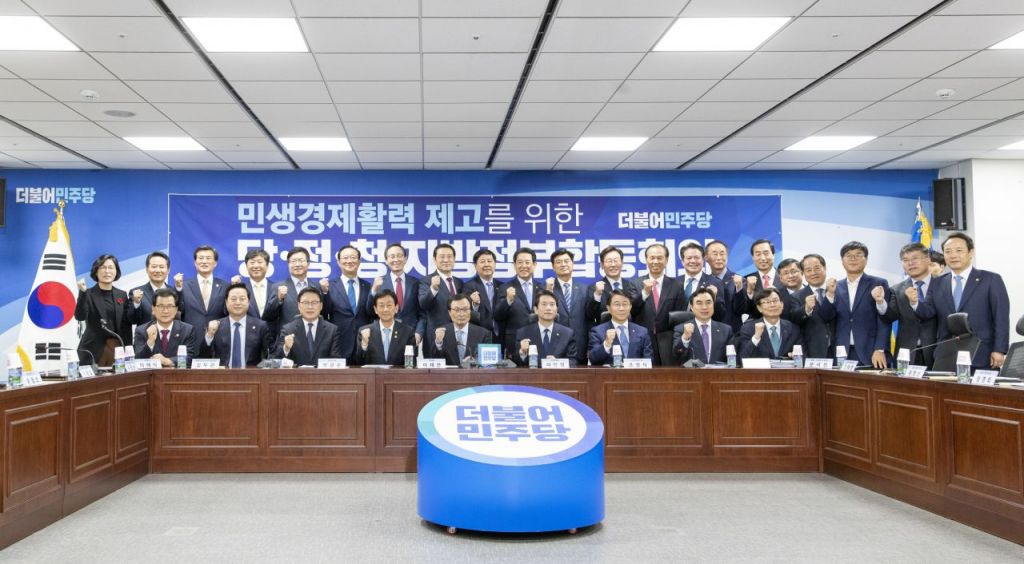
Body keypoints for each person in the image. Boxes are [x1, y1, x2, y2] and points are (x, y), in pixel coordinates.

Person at [917, 232, 1009, 369]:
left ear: (971, 252)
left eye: (959, 250)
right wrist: (914, 303)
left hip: (982, 353)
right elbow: (927, 312)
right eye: (948, 251)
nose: (953, 255)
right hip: (947, 355)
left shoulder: (990, 280)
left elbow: (1001, 317)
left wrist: (999, 349)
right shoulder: (937, 283)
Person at [831, 241, 891, 369]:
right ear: (842, 261)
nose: (853, 258)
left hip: (870, 352)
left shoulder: (879, 283)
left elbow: (884, 319)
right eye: (848, 255)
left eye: (858, 255)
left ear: (866, 260)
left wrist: (880, 349)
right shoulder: (836, 287)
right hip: (842, 352)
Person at [75, 254, 141, 366]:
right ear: (96, 271)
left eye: (111, 268)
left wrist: (136, 303)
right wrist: (82, 292)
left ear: (116, 271)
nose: (107, 271)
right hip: (93, 349)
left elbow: (129, 321)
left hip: (118, 349)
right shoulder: (88, 293)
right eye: (103, 267)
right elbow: (79, 316)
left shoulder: (122, 294)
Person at [881, 243, 938, 368]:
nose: (910, 263)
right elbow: (889, 316)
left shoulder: (943, 285)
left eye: (915, 258)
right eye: (905, 260)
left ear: (928, 259)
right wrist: (880, 302)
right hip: (907, 354)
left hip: (937, 352)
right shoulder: (896, 290)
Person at [632, 243, 686, 366]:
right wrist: (644, 293)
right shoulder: (635, 284)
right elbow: (632, 311)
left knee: (668, 375)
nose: (655, 261)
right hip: (642, 340)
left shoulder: (676, 286)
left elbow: (680, 316)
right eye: (652, 258)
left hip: (668, 341)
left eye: (660, 258)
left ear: (666, 260)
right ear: (646, 260)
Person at [200, 283, 273, 368]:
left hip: (251, 374)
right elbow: (203, 356)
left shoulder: (261, 326)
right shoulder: (216, 326)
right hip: (223, 374)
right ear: (226, 302)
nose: (238, 303)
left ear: (248, 302)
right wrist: (209, 335)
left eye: (242, 299)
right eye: (233, 299)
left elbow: (270, 355)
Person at [321, 245, 372, 362]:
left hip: (363, 344)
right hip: (338, 343)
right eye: (345, 258)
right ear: (338, 262)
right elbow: (323, 313)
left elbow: (371, 314)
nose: (349, 261)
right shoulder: (329, 286)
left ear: (359, 261)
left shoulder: (368, 287)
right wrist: (324, 293)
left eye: (353, 257)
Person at [366, 242, 423, 342]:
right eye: (392, 257)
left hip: (410, 335)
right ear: (386, 261)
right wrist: (374, 290)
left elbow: (422, 313)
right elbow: (370, 312)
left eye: (399, 256)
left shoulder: (415, 283)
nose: (396, 259)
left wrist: (419, 332)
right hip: (384, 336)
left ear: (405, 259)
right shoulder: (379, 283)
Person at [494, 247, 543, 357]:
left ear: (534, 265)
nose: (523, 266)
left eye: (527, 262)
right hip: (515, 341)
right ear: (514, 265)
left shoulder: (542, 288)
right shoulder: (505, 288)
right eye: (520, 262)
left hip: (539, 340)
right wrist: (508, 300)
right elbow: (497, 315)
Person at [275, 287, 342, 365]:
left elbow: (336, 361)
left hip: (322, 372)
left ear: (321, 306)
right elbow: (277, 361)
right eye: (305, 302)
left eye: (314, 302)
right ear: (299, 306)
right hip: (297, 373)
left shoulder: (332, 330)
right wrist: (286, 348)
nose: (310, 307)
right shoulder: (288, 330)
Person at [788, 254, 837, 359]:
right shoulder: (796, 297)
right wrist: (806, 309)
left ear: (825, 268)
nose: (813, 273)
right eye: (808, 270)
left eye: (817, 268)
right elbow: (794, 319)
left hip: (839, 350)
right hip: (813, 351)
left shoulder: (838, 291)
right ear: (803, 273)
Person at [133, 288, 196, 367]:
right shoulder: (141, 331)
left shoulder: (187, 330)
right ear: (153, 309)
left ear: (176, 309)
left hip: (178, 374)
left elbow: (189, 358)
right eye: (160, 306)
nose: (165, 311)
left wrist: (168, 361)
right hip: (152, 374)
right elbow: (137, 360)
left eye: (170, 306)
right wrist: (150, 342)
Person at [735, 288, 802, 362]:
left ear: (782, 305)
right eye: (767, 302)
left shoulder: (793, 329)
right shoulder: (748, 329)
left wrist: (795, 356)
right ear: (759, 308)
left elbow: (803, 357)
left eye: (775, 301)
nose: (772, 305)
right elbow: (742, 358)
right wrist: (756, 337)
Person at [513, 290, 577, 367]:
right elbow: (516, 363)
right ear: (536, 309)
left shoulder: (567, 334)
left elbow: (573, 361)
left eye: (552, 304)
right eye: (544, 304)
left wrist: (557, 363)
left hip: (558, 374)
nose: (548, 308)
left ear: (557, 309)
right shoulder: (523, 333)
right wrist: (523, 352)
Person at [354, 290, 417, 367]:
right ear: (375, 309)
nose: (385, 309)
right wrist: (364, 344)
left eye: (389, 305)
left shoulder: (407, 332)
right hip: (374, 374)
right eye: (381, 305)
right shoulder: (364, 331)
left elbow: (411, 363)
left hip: (398, 374)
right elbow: (359, 362)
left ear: (396, 308)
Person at [589, 289, 652, 365]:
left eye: (625, 304)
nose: (621, 308)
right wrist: (606, 344)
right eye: (617, 304)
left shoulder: (642, 332)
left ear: (630, 307)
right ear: (608, 308)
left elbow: (649, 361)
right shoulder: (598, 331)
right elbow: (593, 359)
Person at [549, 248, 589, 366]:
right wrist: (548, 291)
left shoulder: (585, 289)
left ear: (572, 264)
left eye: (566, 261)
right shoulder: (547, 288)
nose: (563, 264)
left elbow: (590, 317)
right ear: (553, 267)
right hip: (554, 345)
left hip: (580, 345)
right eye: (559, 262)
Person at [673, 288, 733, 366]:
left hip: (719, 373)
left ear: (713, 304)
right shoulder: (681, 329)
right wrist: (685, 338)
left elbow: (732, 359)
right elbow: (676, 356)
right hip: (692, 373)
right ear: (691, 307)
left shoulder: (726, 330)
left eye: (708, 302)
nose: (704, 307)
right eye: (699, 303)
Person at [264, 246, 317, 335]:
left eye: (301, 260)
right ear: (288, 264)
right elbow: (268, 317)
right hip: (287, 338)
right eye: (293, 261)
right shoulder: (277, 287)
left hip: (312, 338)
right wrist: (279, 299)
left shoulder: (317, 287)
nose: (297, 264)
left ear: (308, 263)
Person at [429, 294, 493, 366]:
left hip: (473, 372)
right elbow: (434, 361)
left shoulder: (484, 334)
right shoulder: (439, 333)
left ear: (470, 311)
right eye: (457, 310)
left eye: (465, 309)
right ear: (449, 312)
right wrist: (438, 343)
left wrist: (475, 362)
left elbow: (488, 363)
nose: (461, 314)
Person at [174, 245, 227, 332]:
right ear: (195, 263)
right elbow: (178, 310)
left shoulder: (224, 286)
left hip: (217, 335)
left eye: (208, 258)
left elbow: (227, 312)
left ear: (215, 263)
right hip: (191, 335)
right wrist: (178, 289)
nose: (204, 261)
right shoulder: (184, 286)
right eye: (201, 258)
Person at [586, 245, 642, 326]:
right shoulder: (594, 288)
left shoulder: (631, 285)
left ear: (622, 263)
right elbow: (590, 315)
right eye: (609, 261)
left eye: (616, 260)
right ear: (602, 265)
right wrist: (597, 295)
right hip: (604, 332)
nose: (613, 264)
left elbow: (636, 311)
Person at [418, 243, 464, 338]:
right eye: (442, 257)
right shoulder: (426, 280)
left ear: (454, 259)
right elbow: (423, 304)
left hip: (458, 333)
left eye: (449, 257)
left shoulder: (459, 282)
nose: (446, 260)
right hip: (436, 334)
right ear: (434, 259)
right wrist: (433, 289)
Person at [462, 248, 503, 344]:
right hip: (480, 335)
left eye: (489, 261)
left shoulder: (502, 286)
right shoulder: (469, 286)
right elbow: (466, 313)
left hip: (501, 335)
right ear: (475, 266)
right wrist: (475, 305)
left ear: (495, 264)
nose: (486, 264)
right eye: (482, 261)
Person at [705, 239, 745, 332]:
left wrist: (739, 288)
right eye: (715, 254)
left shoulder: (739, 280)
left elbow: (741, 310)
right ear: (706, 257)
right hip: (710, 333)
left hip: (734, 333)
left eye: (722, 254)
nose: (719, 258)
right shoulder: (704, 282)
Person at [738, 239, 785, 317]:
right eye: (758, 254)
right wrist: (750, 293)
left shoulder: (785, 277)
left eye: (766, 253)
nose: (762, 258)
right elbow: (743, 309)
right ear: (753, 257)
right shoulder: (745, 280)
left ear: (773, 255)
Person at [677, 242, 725, 320]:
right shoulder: (674, 283)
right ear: (682, 261)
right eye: (689, 258)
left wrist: (714, 298)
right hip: (678, 326)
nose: (693, 261)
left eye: (696, 257)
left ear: (703, 260)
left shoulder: (715, 282)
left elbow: (721, 315)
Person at [130, 251, 177, 321]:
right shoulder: (136, 293)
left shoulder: (175, 292)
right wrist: (136, 303)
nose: (158, 270)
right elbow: (132, 320)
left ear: (168, 270)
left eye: (161, 267)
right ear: (147, 269)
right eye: (154, 267)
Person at [230, 248, 272, 319]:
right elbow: (228, 311)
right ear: (246, 266)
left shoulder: (275, 288)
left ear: (267, 265)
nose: (256, 266)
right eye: (252, 263)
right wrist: (233, 288)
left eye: (259, 262)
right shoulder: (241, 289)